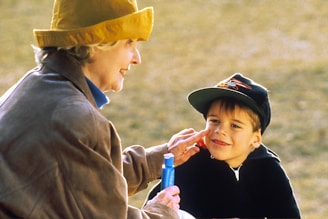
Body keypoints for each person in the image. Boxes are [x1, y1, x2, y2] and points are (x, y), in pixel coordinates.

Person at [0, 0, 208, 218]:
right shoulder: (75, 117)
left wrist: (156, 160)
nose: (137, 58)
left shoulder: (36, 84)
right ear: (98, 43)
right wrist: (161, 212)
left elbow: (85, 182)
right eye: (129, 44)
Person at [147, 73, 301, 218]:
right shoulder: (191, 164)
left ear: (256, 138)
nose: (220, 131)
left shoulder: (269, 171)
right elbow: (153, 209)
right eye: (214, 121)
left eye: (235, 126)